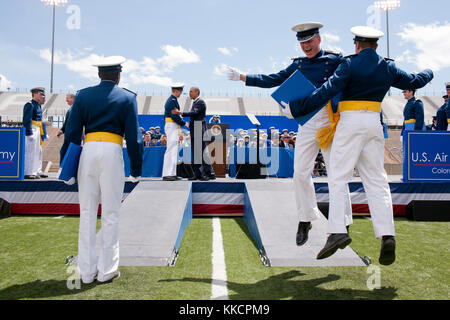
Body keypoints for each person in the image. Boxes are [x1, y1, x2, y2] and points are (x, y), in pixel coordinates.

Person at [289, 26, 433, 265]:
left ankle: (337, 230)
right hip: (375, 123)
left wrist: (300, 108)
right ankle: (387, 235)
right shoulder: (387, 66)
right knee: (377, 180)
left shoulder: (349, 64)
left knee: (337, 176)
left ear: (356, 44)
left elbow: (326, 91)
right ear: (375, 45)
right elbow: (416, 80)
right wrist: (429, 72)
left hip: (350, 123)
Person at [227, 22, 353, 246]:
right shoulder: (299, 64)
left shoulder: (335, 60)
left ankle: (343, 222)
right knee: (300, 173)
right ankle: (305, 219)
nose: (306, 47)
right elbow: (274, 79)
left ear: (319, 39)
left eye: (310, 41)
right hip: (306, 121)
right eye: (302, 43)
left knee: (337, 173)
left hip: (330, 122)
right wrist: (244, 77)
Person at [60, 56, 143, 283]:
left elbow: (72, 133)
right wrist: (136, 168)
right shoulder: (128, 97)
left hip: (88, 151)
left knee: (87, 212)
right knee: (110, 213)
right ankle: (107, 271)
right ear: (119, 75)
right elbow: (135, 137)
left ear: (99, 75)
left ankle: (86, 273)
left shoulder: (83, 96)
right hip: (112, 151)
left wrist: (66, 167)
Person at [172, 87, 216, 181]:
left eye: (191, 91)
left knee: (201, 153)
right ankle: (197, 174)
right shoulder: (195, 102)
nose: (189, 93)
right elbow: (195, 115)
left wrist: (180, 112)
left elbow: (194, 113)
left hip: (199, 129)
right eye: (189, 91)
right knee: (196, 154)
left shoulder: (200, 102)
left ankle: (208, 174)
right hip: (195, 129)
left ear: (197, 92)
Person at [162, 84, 186, 181]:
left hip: (173, 125)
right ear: (176, 91)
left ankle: (172, 173)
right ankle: (167, 173)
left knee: (173, 150)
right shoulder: (171, 101)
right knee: (171, 149)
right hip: (172, 125)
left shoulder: (173, 100)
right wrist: (184, 123)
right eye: (180, 91)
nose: (181, 93)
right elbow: (174, 116)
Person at [22, 87, 47, 179]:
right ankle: (28, 172)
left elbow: (40, 121)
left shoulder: (38, 105)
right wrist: (28, 132)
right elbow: (26, 119)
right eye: (40, 94)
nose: (42, 96)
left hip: (37, 128)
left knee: (37, 151)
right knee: (30, 151)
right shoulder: (30, 105)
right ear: (35, 94)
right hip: (32, 129)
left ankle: (35, 170)